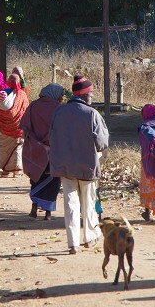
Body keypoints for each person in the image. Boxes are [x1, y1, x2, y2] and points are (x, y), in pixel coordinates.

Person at [49, 75, 109, 254]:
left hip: (65, 166)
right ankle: (90, 237)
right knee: (88, 202)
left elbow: (51, 138)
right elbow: (102, 143)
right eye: (90, 93)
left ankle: (73, 243)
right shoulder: (92, 114)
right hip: (87, 166)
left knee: (70, 203)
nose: (91, 96)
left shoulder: (59, 113)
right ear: (83, 95)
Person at [20, 83, 65, 220]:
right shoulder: (59, 109)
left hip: (35, 149)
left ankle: (34, 208)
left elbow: (24, 126)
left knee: (36, 178)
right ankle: (48, 214)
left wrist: (34, 141)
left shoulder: (33, 106)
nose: (62, 98)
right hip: (54, 150)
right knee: (53, 181)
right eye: (61, 95)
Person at [0, 73, 29, 177]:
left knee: (4, 148)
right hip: (18, 127)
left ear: (8, 82)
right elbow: (25, 110)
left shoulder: (2, 93)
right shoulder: (22, 95)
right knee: (17, 148)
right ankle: (16, 171)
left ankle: (5, 170)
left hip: (3, 127)